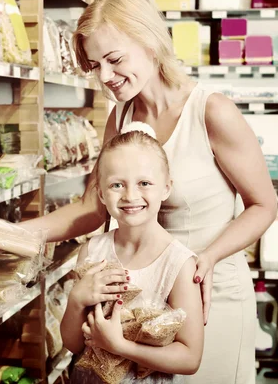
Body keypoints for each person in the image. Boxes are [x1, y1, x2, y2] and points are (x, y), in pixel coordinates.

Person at [0, 0, 277, 384]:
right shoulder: (121, 118)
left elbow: (264, 205)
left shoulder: (211, 111)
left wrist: (209, 257)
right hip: (145, 302)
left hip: (209, 293)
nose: (105, 77)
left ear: (149, 41)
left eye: (113, 59)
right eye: (95, 65)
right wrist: (10, 234)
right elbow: (92, 209)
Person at [62, 124, 204, 383]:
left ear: (166, 188)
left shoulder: (179, 264)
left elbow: (190, 358)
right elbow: (73, 344)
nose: (130, 195)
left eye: (144, 183)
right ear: (102, 194)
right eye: (117, 184)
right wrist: (76, 300)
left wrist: (119, 346)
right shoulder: (92, 252)